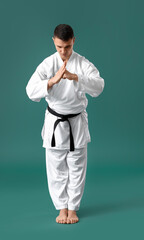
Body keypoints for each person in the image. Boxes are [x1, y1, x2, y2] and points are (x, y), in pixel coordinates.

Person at [26, 24, 105, 224]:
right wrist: (51, 81)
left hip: (76, 121)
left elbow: (99, 86)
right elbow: (30, 90)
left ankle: (73, 208)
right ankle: (62, 208)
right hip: (55, 121)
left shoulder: (82, 64)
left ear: (74, 41)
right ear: (53, 41)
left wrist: (76, 77)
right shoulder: (47, 64)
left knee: (77, 166)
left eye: (67, 47)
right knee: (56, 167)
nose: (63, 51)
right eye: (60, 47)